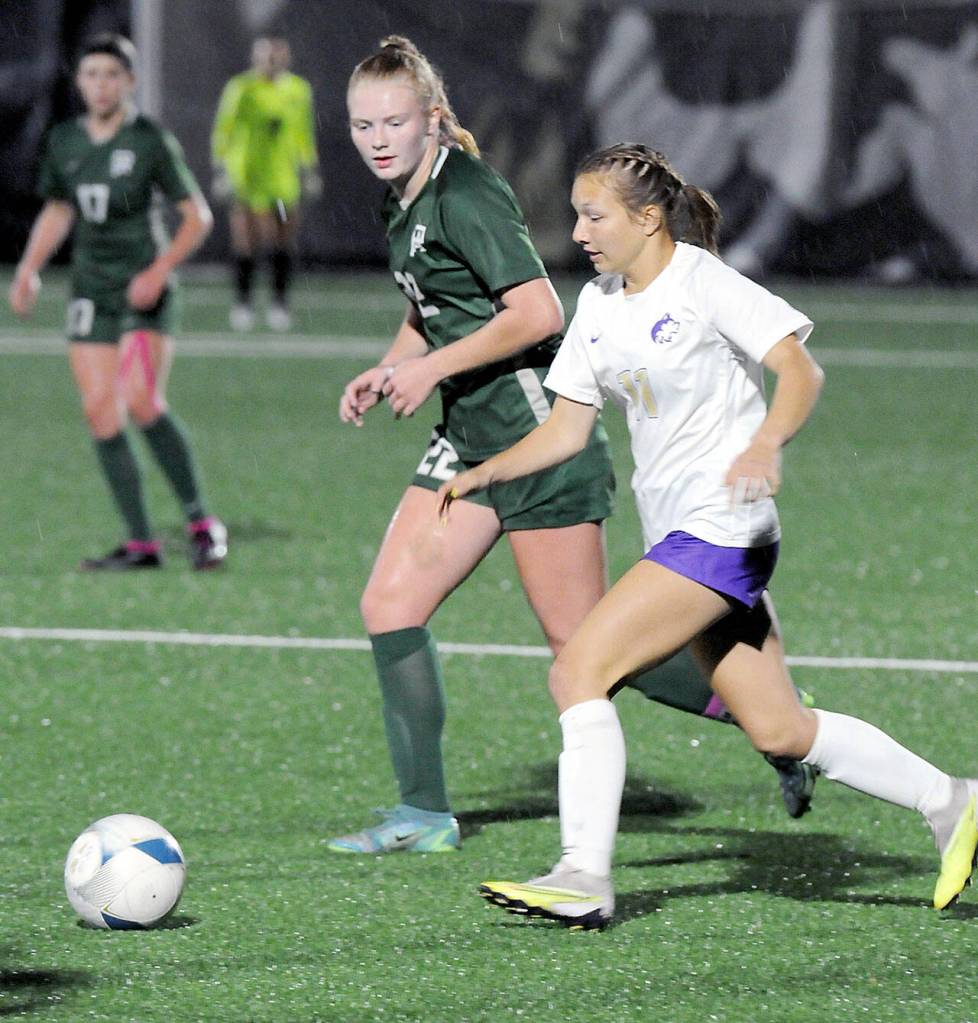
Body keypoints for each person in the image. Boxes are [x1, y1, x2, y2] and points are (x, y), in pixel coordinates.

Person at [440, 143, 978, 928]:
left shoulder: (704, 282)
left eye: (594, 216)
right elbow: (566, 428)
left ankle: (582, 874)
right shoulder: (598, 303)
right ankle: (952, 798)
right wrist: (486, 471)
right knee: (781, 728)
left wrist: (766, 444)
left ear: (647, 219)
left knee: (579, 670)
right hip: (685, 536)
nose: (579, 232)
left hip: (723, 530)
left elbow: (801, 371)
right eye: (578, 216)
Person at [328, 38, 814, 857]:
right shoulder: (401, 199)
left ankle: (775, 722)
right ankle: (423, 813)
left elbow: (537, 312)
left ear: (432, 120)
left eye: (394, 122)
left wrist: (432, 368)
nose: (377, 139)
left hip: (536, 438)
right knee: (389, 605)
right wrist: (390, 367)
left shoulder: (466, 192)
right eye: (362, 125)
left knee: (585, 646)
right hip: (468, 436)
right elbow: (430, 301)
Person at [8, 33, 227, 572]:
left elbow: (197, 217)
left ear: (130, 81)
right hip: (92, 289)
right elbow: (59, 209)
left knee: (141, 400)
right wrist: (30, 268)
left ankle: (202, 523)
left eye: (112, 75)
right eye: (91, 75)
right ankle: (141, 544)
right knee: (99, 410)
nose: (101, 85)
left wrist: (159, 270)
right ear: (79, 82)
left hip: (141, 291)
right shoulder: (65, 140)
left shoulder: (149, 140)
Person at [211, 36, 320, 332]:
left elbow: (303, 133)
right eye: (265, 56)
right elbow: (224, 129)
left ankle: (279, 304)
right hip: (247, 178)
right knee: (245, 241)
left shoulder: (298, 89)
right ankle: (243, 303)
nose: (270, 62)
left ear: (286, 58)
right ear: (255, 58)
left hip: (282, 181)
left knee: (283, 241)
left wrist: (309, 168)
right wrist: (221, 169)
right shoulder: (241, 88)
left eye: (276, 56)